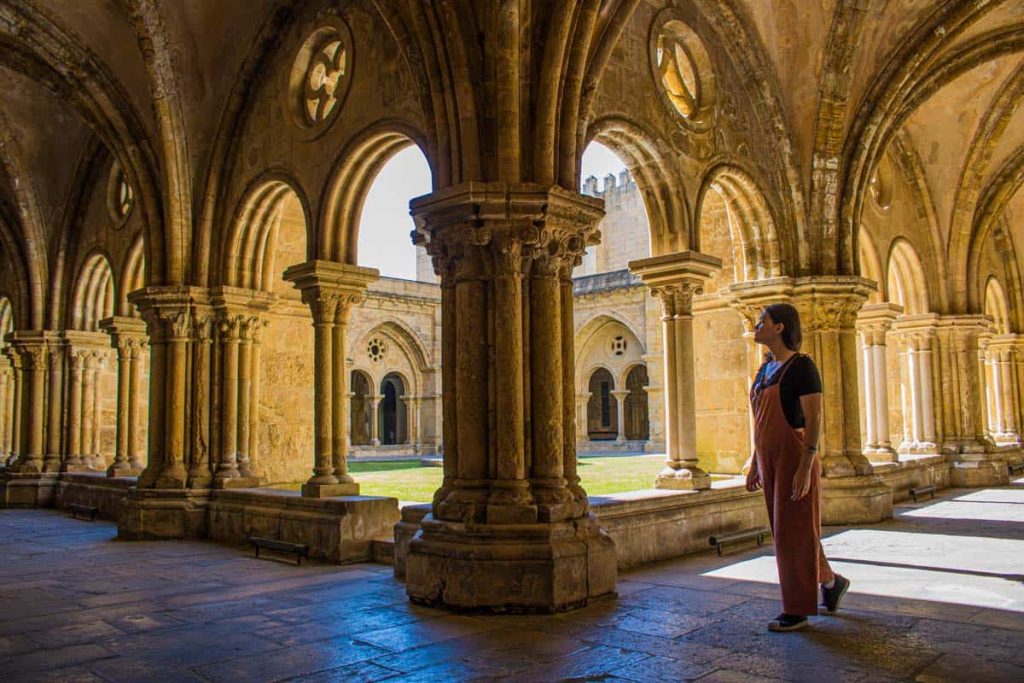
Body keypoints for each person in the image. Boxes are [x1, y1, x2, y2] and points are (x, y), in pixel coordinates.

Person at [745, 303, 850, 632]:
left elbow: (815, 418)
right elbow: (759, 420)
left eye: (763, 321)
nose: (756, 325)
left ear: (780, 328)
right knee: (790, 530)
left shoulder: (802, 367)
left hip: (795, 457)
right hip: (769, 457)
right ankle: (831, 583)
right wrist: (753, 462)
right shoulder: (764, 369)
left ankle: (796, 609)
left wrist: (806, 464)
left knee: (793, 532)